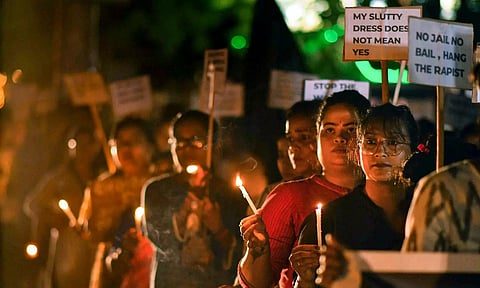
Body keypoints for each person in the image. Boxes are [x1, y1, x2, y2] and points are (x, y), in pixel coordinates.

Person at [237, 90, 371, 288]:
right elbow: (258, 284)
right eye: (330, 130)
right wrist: (257, 251)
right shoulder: (289, 196)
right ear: (317, 138)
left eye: (351, 130)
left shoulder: (382, 196)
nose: (340, 138)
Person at [291, 103, 419, 288]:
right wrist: (306, 277)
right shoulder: (329, 219)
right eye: (371, 142)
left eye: (392, 143)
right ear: (357, 151)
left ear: (413, 151)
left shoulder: (428, 210)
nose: (380, 152)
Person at [142, 110, 247, 287]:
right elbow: (159, 240)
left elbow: (240, 251)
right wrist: (185, 211)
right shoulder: (157, 190)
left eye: (196, 141)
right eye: (180, 142)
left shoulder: (229, 194)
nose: (187, 150)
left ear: (212, 145)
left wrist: (219, 228)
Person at [23, 109, 103, 288]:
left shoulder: (101, 178)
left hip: (94, 242)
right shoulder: (59, 178)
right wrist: (52, 218)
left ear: (94, 147)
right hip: (68, 245)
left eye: (86, 144)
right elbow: (32, 204)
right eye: (77, 144)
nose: (82, 150)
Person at [81, 115, 156, 288]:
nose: (126, 148)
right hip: (113, 271)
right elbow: (92, 231)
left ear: (150, 147)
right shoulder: (102, 187)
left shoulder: (161, 185)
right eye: (120, 142)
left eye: (135, 141)